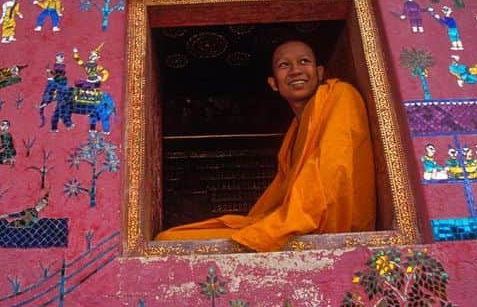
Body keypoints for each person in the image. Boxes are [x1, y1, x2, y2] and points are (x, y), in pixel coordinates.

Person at [155, 39, 376, 252]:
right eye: (284, 65)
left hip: (328, 227)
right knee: (167, 238)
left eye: (304, 61)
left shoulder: (340, 95)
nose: (296, 70)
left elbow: (335, 171)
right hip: (297, 225)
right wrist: (265, 225)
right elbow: (278, 201)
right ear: (273, 83)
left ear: (319, 72)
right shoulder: (292, 136)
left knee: (170, 243)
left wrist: (275, 228)